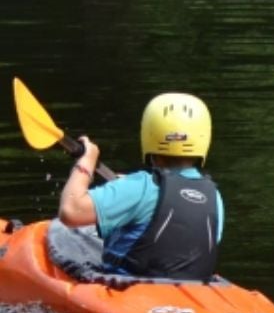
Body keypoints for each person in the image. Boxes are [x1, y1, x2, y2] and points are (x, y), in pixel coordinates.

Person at [58, 92, 224, 279]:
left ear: (149, 134)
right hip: (190, 292)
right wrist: (125, 189)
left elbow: (70, 211)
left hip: (130, 290)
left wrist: (87, 161)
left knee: (57, 230)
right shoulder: (214, 197)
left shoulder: (139, 187)